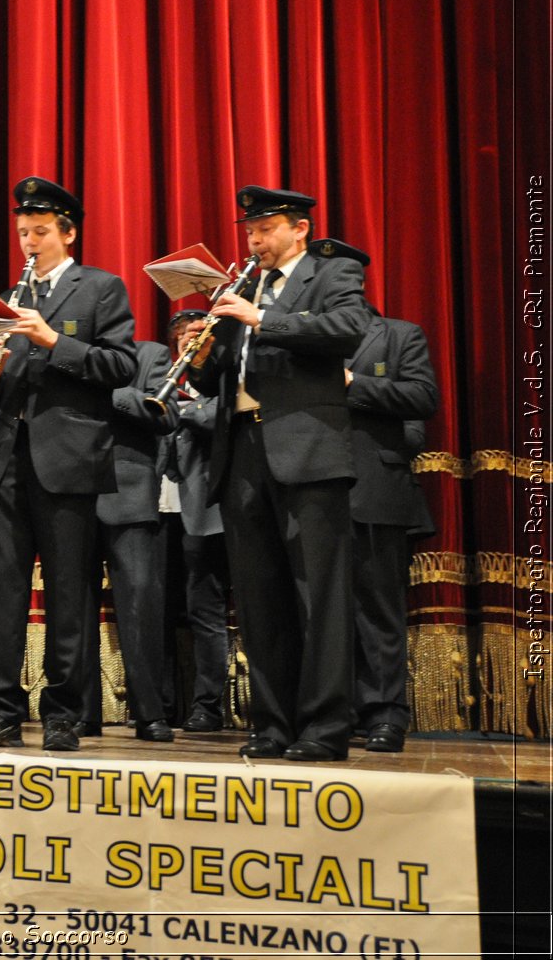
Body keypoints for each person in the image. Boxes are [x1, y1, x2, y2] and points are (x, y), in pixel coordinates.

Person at [188, 189, 371, 761]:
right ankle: (271, 725)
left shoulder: (331, 271)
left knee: (319, 596)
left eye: (265, 230)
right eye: (250, 232)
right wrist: (201, 350)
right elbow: (213, 379)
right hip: (243, 448)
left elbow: (347, 328)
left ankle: (323, 729)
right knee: (260, 598)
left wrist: (263, 317)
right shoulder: (245, 285)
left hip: (308, 450)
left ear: (299, 228)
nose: (254, 243)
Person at [0, 178, 136, 751]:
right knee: (0, 593)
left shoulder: (101, 288)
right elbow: (2, 380)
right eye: (22, 234)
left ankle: (65, 712)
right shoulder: (9, 295)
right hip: (5, 455)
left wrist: (54, 340)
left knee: (67, 591)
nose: (29, 243)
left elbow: (121, 365)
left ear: (68, 233)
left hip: (68, 458)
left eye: (39, 233)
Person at [344, 292, 440, 752]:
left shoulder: (399, 334)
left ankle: (384, 713)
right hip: (308, 487)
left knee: (377, 606)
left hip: (375, 487)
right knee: (320, 611)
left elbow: (421, 400)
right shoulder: (301, 339)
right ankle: (330, 711)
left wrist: (351, 383)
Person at [96, 339, 179, 740]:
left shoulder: (150, 354)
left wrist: (104, 389)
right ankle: (79, 712)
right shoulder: (56, 352)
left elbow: (168, 417)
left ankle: (150, 712)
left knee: (139, 605)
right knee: (71, 608)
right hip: (64, 491)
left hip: (127, 492)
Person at [164, 310, 231, 731]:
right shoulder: (165, 376)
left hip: (210, 511)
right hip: (161, 509)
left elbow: (214, 418)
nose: (190, 345)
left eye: (199, 337)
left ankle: (209, 705)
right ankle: (167, 704)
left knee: (208, 612)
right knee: (174, 611)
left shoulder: (223, 376)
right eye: (184, 339)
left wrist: (179, 410)